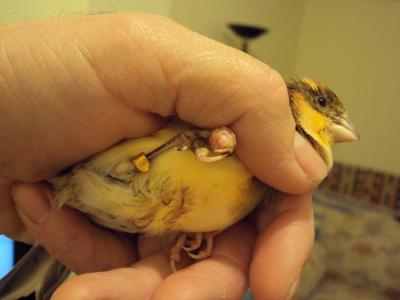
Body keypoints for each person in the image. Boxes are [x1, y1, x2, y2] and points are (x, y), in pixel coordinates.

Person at [0, 13, 327, 299]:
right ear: (300, 99)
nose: (337, 126)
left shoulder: (262, 188)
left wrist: (194, 231)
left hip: (108, 213)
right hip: (90, 172)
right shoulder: (246, 125)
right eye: (325, 109)